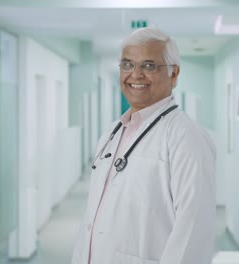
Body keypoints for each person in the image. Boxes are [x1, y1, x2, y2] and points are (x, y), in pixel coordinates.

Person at [71, 27, 217, 264]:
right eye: (127, 65)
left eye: (149, 66)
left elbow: (193, 233)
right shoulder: (113, 132)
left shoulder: (187, 138)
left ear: (174, 74)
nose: (135, 74)